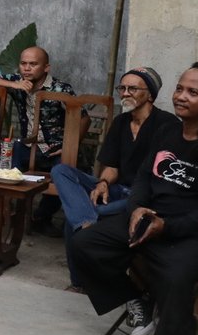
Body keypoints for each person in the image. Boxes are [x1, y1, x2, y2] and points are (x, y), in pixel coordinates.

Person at [69, 62, 198, 335]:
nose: (181, 96)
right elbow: (143, 179)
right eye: (180, 88)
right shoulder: (167, 132)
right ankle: (136, 300)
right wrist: (137, 209)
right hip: (150, 218)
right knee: (85, 244)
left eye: (193, 92)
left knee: (175, 273)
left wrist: (167, 226)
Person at [48, 66, 176, 292]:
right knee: (61, 171)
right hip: (117, 189)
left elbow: (161, 176)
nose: (125, 93)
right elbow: (112, 166)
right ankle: (85, 220)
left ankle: (80, 278)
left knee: (72, 219)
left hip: (142, 198)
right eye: (122, 88)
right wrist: (103, 182)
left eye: (133, 88)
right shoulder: (120, 122)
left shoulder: (167, 125)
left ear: (150, 94)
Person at [0, 46, 74, 230]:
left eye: (33, 64)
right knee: (8, 154)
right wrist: (14, 85)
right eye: (23, 64)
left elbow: (83, 118)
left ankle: (41, 218)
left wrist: (70, 144)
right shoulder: (17, 83)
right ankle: (10, 213)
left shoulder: (60, 88)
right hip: (28, 146)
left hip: (55, 147)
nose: (27, 68)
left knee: (64, 172)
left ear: (46, 67)